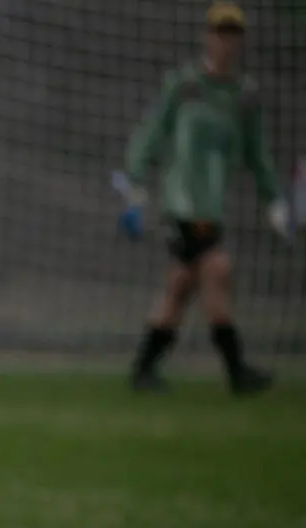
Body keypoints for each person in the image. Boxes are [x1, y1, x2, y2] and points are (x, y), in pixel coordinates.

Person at [116, 1, 293, 395]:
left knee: (180, 286)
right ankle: (236, 372)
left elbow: (256, 155)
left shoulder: (245, 97)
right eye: (218, 32)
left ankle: (143, 370)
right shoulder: (184, 84)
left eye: (232, 34)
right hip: (182, 205)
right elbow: (152, 131)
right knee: (217, 269)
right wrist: (134, 180)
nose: (224, 41)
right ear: (205, 36)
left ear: (240, 41)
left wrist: (275, 202)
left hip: (212, 208)